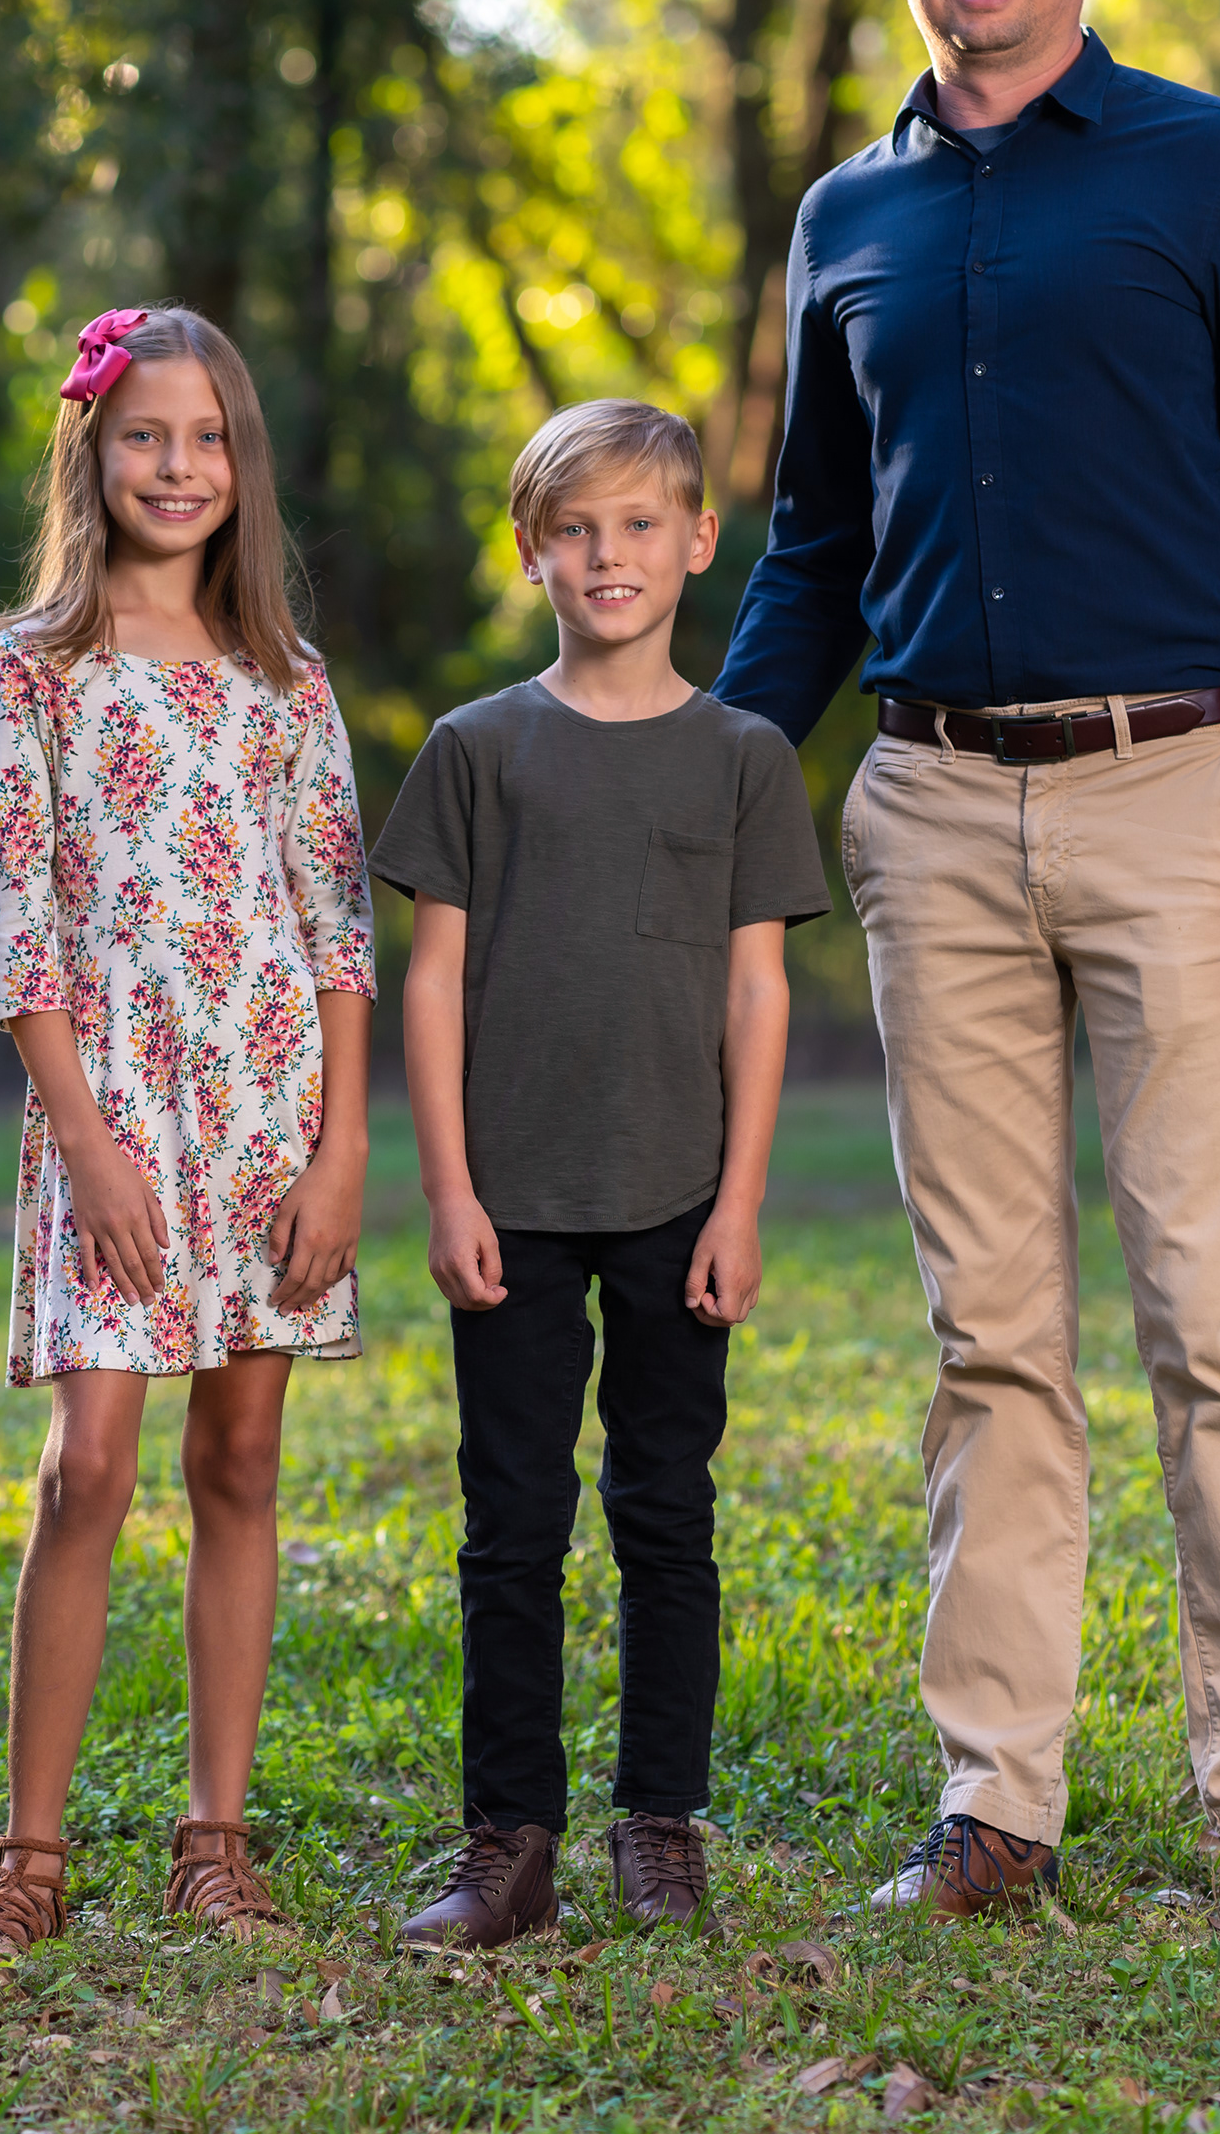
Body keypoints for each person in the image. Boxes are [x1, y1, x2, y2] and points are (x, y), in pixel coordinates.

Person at [711, 0, 1220, 1936]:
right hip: (926, 809)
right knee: (986, 1328)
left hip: (1176, 793)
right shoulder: (849, 217)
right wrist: (699, 784)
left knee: (1211, 1306)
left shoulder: (1218, 170)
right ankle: (996, 1796)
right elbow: (816, 549)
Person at [0, 305, 378, 1952]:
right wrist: (86, 1143)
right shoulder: (32, 672)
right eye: (145, 435)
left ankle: (216, 1838)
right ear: (93, 452)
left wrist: (343, 1150)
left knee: (240, 1458)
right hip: (111, 1110)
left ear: (240, 462)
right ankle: (32, 1853)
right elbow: (20, 932)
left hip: (269, 1108)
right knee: (93, 1464)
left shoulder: (288, 680)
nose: (176, 465)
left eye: (205, 437)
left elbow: (339, 928)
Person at [373, 401, 824, 1948]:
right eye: (575, 529)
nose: (608, 554)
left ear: (699, 541)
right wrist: (447, 1186)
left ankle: (660, 1825)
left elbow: (757, 990)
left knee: (666, 1518)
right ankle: (510, 1843)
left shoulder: (746, 757)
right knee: (510, 1526)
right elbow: (433, 981)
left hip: (678, 1195)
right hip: (511, 1201)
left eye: (639, 525)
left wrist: (741, 1201)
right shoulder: (477, 749)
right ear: (531, 552)